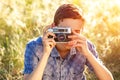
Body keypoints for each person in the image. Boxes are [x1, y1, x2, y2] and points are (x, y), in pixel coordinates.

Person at [23, 4, 113, 80]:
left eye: (76, 31)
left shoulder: (85, 46)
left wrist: (88, 54)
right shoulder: (34, 47)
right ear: (54, 27)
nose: (70, 37)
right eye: (66, 31)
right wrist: (46, 53)